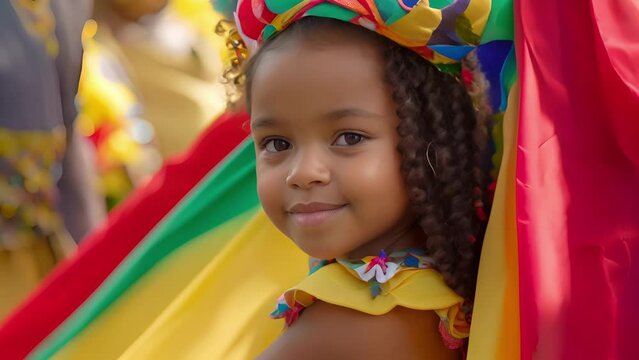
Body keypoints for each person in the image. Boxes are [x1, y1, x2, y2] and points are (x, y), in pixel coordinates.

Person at [237, 0, 502, 357]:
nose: (302, 173)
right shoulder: (441, 295)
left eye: (349, 138)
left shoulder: (350, 328)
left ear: (431, 145)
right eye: (277, 143)